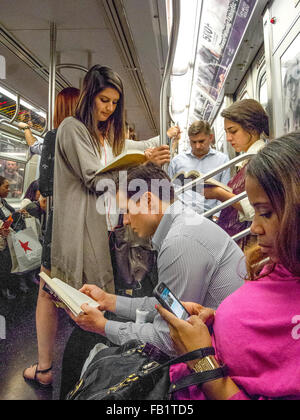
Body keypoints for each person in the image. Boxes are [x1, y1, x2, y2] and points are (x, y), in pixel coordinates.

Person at [23, 66, 169, 389]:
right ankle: (81, 377)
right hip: (80, 231)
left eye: (115, 103)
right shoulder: (73, 129)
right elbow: (93, 177)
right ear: (89, 95)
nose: (109, 108)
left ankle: (93, 373)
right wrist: (139, 170)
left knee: (95, 304)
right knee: (83, 305)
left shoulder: (100, 135)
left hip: (102, 231)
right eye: (104, 100)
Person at [157, 133, 300, 400]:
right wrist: (216, 318)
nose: (255, 228)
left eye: (266, 214)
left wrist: (201, 360)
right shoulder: (280, 264)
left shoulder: (180, 241)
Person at [67, 162, 245, 360]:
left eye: (127, 210)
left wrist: (102, 326)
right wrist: (110, 301)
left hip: (224, 353)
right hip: (223, 339)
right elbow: (167, 305)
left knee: (84, 351)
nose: (125, 220)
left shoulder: (179, 242)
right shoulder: (182, 226)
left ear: (148, 201)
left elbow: (168, 340)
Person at [23, 87, 81, 387]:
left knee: (47, 293)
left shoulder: (55, 136)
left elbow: (44, 190)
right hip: (87, 228)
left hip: (59, 228)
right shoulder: (91, 138)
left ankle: (45, 368)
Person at [203, 99, 269, 249]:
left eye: (233, 131)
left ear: (251, 129)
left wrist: (219, 193)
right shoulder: (245, 161)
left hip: (250, 243)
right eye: (226, 132)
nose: (228, 138)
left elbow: (255, 210)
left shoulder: (260, 159)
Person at [168, 120, 230, 213]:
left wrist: (217, 215)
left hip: (210, 214)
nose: (197, 146)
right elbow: (170, 191)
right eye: (193, 142)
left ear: (210, 137)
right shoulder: (177, 161)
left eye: (201, 141)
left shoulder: (222, 160)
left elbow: (225, 191)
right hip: (183, 214)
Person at [0, 176, 25, 299]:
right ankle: (4, 290)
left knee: (8, 265)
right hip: (2, 241)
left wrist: (19, 212)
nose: (8, 190)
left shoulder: (3, 202)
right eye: (6, 187)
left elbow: (10, 214)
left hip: (7, 239)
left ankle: (9, 286)